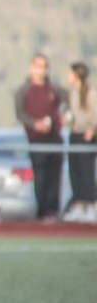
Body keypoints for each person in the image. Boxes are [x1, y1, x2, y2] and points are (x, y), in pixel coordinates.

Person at [14, 54, 67, 221]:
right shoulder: (24, 90)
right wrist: (34, 124)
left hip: (54, 137)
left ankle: (53, 210)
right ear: (31, 67)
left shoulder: (55, 89)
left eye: (44, 66)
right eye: (38, 66)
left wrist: (63, 117)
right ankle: (42, 210)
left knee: (54, 174)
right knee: (41, 175)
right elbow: (20, 113)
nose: (41, 70)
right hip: (36, 139)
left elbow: (66, 104)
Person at [62, 62, 96, 222]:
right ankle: (80, 205)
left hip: (87, 137)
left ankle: (91, 205)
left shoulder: (91, 94)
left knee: (86, 172)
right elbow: (71, 114)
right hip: (75, 134)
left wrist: (93, 129)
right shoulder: (72, 94)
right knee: (75, 172)